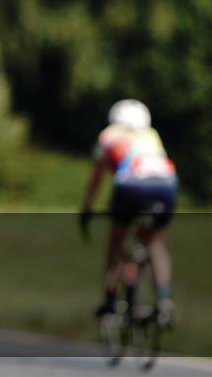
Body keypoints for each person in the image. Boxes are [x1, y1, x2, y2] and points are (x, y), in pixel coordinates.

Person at [80, 99, 178, 328]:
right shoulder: (152, 136)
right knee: (155, 243)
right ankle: (164, 299)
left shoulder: (109, 136)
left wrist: (87, 208)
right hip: (166, 185)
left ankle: (111, 300)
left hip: (130, 187)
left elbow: (97, 179)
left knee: (117, 240)